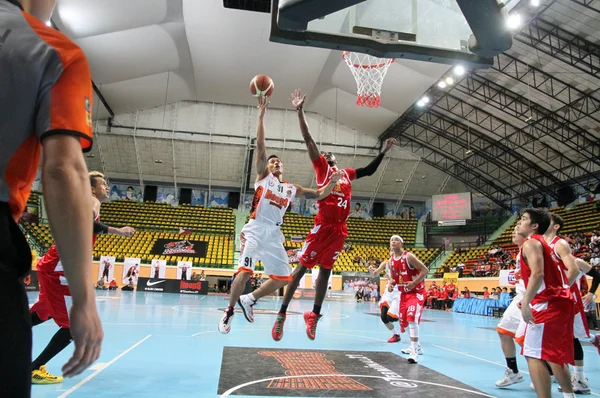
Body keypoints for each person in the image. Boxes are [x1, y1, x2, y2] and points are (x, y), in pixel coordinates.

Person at [0, 0, 104, 394]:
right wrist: (84, 299)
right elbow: (61, 170)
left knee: (40, 312)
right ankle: (37, 364)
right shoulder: (54, 51)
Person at [271, 89, 395, 342]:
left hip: (341, 230)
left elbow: (369, 170)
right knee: (301, 270)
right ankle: (282, 314)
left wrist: (384, 150)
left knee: (326, 272)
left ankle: (313, 316)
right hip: (324, 226)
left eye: (329, 154)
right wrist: (299, 110)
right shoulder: (322, 170)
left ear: (335, 158)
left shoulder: (347, 173)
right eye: (323, 154)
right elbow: (308, 139)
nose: (325, 155)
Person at [218, 96, 343, 334]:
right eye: (272, 162)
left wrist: (332, 183)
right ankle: (229, 312)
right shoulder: (262, 178)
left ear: (282, 168)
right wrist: (261, 115)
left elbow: (317, 194)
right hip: (255, 229)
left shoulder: (290, 188)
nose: (274, 163)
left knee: (284, 279)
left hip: (274, 233)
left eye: (278, 163)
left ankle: (250, 299)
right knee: (244, 273)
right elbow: (261, 147)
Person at [30, 172, 134, 384]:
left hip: (55, 265)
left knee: (45, 312)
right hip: (61, 269)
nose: (107, 187)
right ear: (92, 188)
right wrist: (118, 231)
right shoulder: (91, 201)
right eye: (103, 184)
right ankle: (32, 369)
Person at [516, 208, 574, 398]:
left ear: (535, 226)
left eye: (524, 219)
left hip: (547, 303)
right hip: (558, 301)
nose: (519, 222)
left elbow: (538, 273)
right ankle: (569, 395)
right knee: (553, 355)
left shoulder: (531, 243)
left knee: (533, 354)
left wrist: (526, 302)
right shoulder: (544, 243)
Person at [545, 213, 600, 395]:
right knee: (562, 338)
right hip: (555, 299)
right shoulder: (544, 248)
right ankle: (564, 373)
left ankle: (580, 378)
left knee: (572, 338)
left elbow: (596, 274)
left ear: (557, 227)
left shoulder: (570, 256)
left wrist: (591, 293)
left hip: (570, 300)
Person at [369, 236, 428, 363]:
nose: (393, 242)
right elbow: (396, 279)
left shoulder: (408, 257)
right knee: (404, 323)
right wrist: (391, 285)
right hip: (403, 294)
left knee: (412, 319)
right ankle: (417, 346)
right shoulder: (390, 262)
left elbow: (425, 270)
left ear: (401, 243)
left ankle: (414, 352)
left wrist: (414, 282)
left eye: (396, 240)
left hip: (416, 292)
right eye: (391, 240)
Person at [495, 225, 527, 388]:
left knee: (526, 341)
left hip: (530, 298)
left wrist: (529, 298)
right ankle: (513, 372)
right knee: (503, 331)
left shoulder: (532, 247)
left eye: (516, 230)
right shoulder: (521, 252)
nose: (513, 233)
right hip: (520, 297)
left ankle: (552, 371)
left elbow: (539, 275)